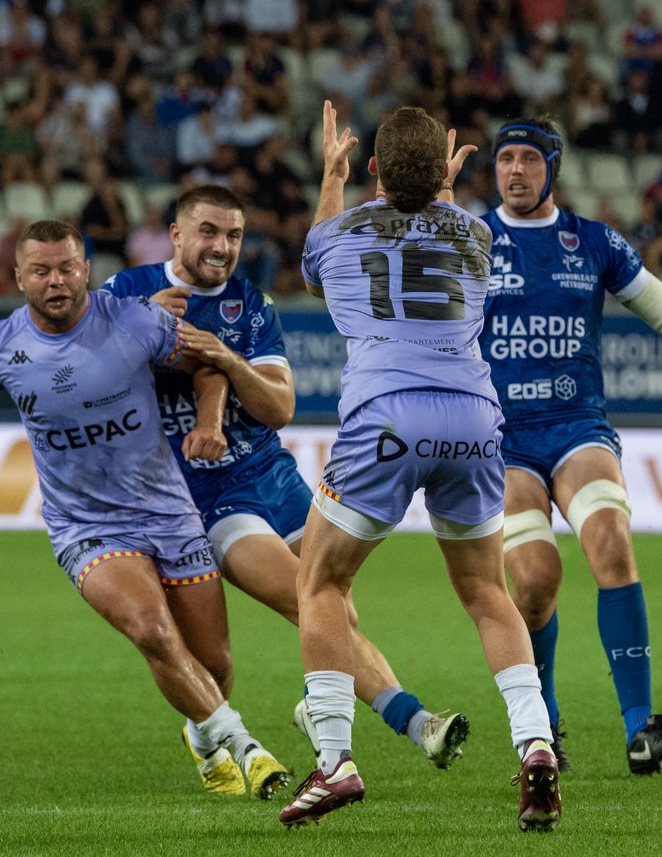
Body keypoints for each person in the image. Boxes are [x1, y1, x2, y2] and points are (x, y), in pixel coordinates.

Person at [102, 185, 470, 779]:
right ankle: (415, 721)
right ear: (175, 234)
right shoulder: (127, 293)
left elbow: (279, 405)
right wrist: (132, 332)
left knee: (336, 616)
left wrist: (226, 357)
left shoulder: (250, 303)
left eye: (234, 235)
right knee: (308, 598)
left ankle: (314, 707)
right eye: (208, 233)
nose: (222, 247)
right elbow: (89, 373)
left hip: (274, 478)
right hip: (209, 498)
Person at [278, 103, 561, 832]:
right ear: (446, 173)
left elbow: (319, 266)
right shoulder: (475, 230)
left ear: (371, 168)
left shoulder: (333, 235)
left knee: (320, 578)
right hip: (471, 416)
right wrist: (441, 188)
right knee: (485, 591)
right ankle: (535, 743)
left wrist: (331, 176)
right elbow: (429, 219)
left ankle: (335, 761)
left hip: (386, 416)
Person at [0, 220, 290, 799]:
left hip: (169, 515)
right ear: (18, 277)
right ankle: (246, 747)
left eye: (67, 268)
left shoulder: (134, 320)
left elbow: (206, 363)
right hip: (88, 527)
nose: (56, 281)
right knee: (151, 630)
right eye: (41, 271)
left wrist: (209, 423)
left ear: (86, 269)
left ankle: (204, 741)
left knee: (215, 664)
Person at [481, 117, 662, 775]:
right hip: (502, 440)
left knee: (610, 540)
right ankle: (545, 720)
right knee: (533, 584)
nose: (516, 170)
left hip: (578, 423)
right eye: (506, 160)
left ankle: (641, 729)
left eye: (529, 158)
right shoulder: (474, 241)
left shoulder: (592, 242)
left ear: (552, 166)